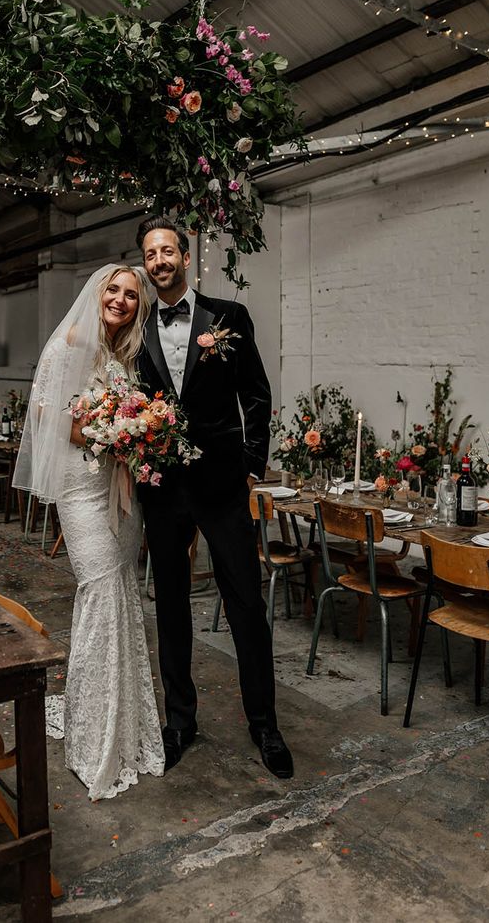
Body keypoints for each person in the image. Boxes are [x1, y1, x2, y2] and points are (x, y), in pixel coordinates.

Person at [136, 216, 293, 780]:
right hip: (162, 488)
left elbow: (256, 393)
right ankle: (180, 721)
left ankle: (264, 724)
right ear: (145, 261)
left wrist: (251, 465)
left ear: (185, 254)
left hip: (223, 484)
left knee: (246, 604)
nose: (159, 260)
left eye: (167, 250)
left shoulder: (229, 317)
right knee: (171, 604)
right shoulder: (136, 328)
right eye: (150, 253)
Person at [13, 265, 165, 800]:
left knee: (122, 594)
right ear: (97, 294)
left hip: (121, 493)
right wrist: (108, 430)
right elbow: (47, 418)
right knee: (99, 592)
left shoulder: (121, 358)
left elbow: (121, 415)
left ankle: (123, 724)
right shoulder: (67, 348)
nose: (122, 300)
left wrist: (136, 434)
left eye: (131, 295)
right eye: (114, 290)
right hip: (81, 491)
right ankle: (91, 737)